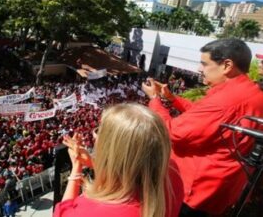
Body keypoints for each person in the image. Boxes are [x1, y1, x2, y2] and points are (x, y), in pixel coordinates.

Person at [142, 38, 263, 216]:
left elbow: (171, 132)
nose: (199, 69)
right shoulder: (249, 91)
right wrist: (172, 99)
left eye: (204, 64)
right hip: (220, 185)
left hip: (195, 190)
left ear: (227, 65)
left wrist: (154, 101)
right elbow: (206, 116)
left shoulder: (227, 100)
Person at [54, 103, 183, 217]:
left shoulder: (90, 211)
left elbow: (64, 210)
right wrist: (94, 164)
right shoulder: (171, 176)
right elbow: (131, 172)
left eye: (100, 131)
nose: (95, 136)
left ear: (112, 148)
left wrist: (77, 165)